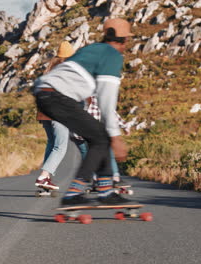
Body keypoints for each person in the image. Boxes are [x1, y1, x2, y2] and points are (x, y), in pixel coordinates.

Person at [33, 18, 133, 206]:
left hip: (44, 94)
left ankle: (104, 190)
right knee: (103, 138)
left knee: (99, 137)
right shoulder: (112, 56)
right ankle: (76, 193)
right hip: (56, 97)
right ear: (124, 41)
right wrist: (117, 138)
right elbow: (106, 100)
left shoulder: (93, 49)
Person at [34, 41, 75, 191]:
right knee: (60, 146)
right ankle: (44, 176)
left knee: (52, 143)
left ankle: (46, 179)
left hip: (44, 111)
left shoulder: (50, 69)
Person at [73, 96, 130, 187]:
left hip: (78, 132)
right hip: (93, 132)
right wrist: (124, 126)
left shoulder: (76, 93)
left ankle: (95, 179)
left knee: (87, 156)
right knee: (108, 153)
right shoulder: (97, 94)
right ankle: (115, 178)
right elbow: (110, 112)